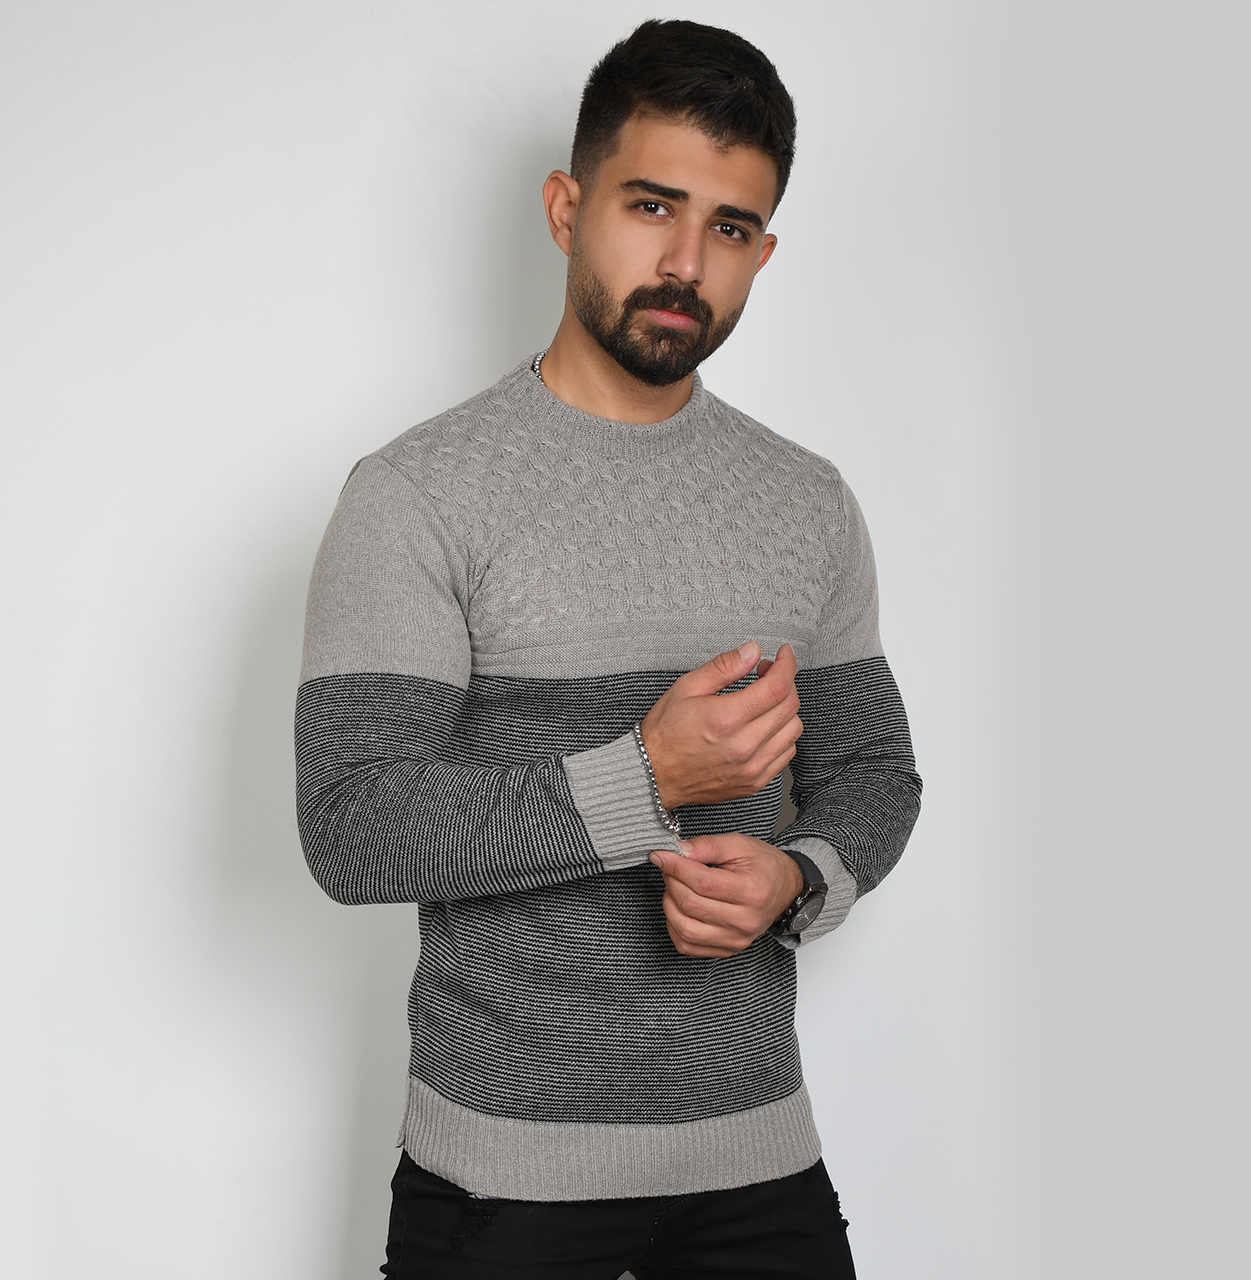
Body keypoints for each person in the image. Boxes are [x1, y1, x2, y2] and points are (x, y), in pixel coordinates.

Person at [295, 18, 921, 1279]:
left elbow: (872, 772)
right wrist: (645, 776)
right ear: (565, 208)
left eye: (729, 228)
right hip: (501, 1183)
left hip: (757, 1162)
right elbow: (352, 828)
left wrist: (797, 877)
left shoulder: (806, 500)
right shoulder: (415, 494)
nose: (685, 262)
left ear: (762, 252)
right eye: (650, 206)